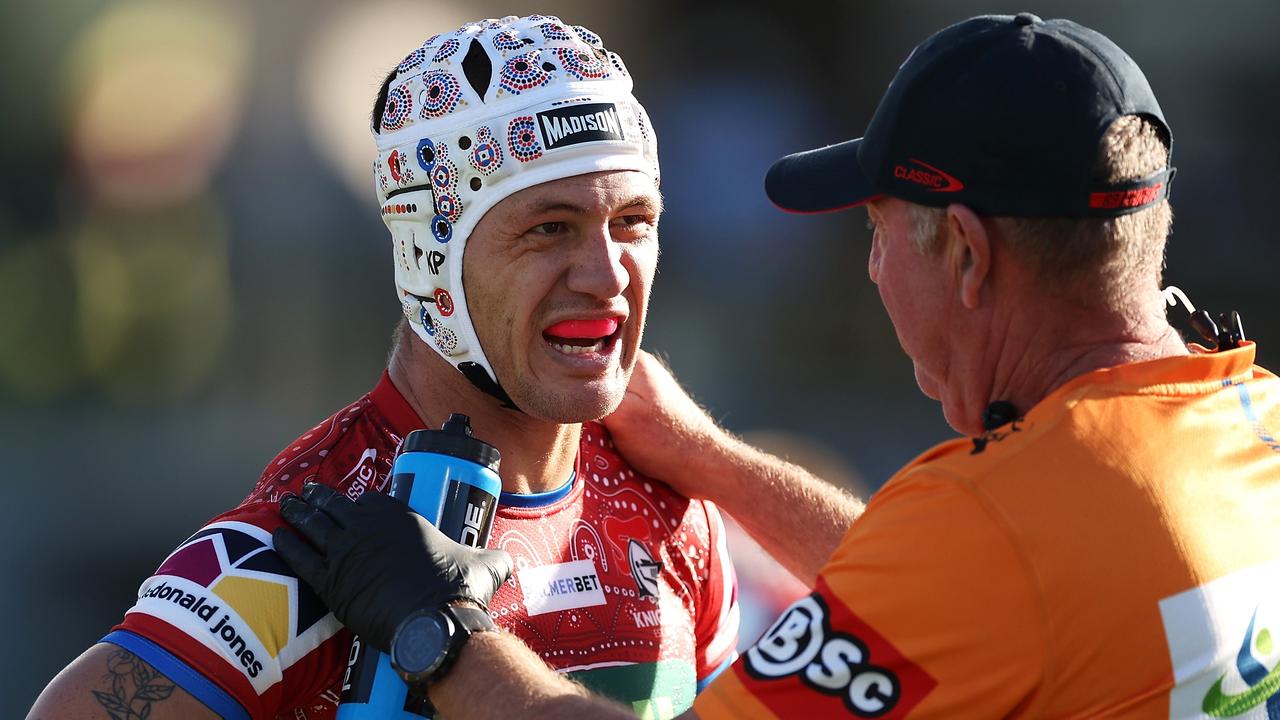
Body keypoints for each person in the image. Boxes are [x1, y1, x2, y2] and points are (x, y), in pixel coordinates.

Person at [269, 12, 1280, 719]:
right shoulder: (1249, 423)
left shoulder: (992, 526)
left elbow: (970, 574)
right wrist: (702, 455)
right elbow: (963, 598)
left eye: (877, 234)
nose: (873, 275)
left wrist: (437, 631)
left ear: (966, 257)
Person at [28, 15, 743, 720]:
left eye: (633, 222)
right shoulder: (321, 539)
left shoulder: (677, 512)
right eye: (548, 228)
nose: (604, 274)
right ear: (430, 257)